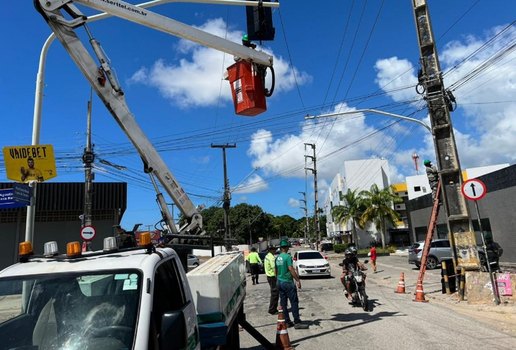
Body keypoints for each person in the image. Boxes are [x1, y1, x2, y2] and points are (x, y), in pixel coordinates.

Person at [275, 239, 304, 328]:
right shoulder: (287, 257)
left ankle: (287, 321)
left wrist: (278, 279)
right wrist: (297, 280)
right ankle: (297, 321)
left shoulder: (277, 257)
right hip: (287, 282)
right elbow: (291, 268)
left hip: (279, 282)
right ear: (286, 247)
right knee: (294, 302)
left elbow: (275, 270)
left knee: (283, 303)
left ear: (280, 248)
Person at [264, 245, 279, 315]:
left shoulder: (267, 256)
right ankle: (272, 310)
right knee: (275, 294)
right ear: (271, 250)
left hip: (269, 276)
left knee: (274, 293)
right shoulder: (272, 257)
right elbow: (274, 268)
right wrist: (277, 277)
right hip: (272, 277)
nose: (275, 250)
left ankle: (272, 308)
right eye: (274, 249)